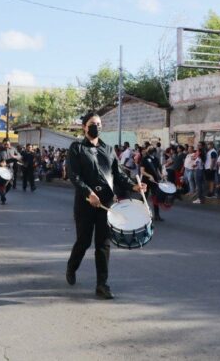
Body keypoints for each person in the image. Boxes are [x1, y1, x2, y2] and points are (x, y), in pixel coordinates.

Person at [66, 112, 145, 300]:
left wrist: (133, 185)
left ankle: (102, 284)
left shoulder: (108, 149)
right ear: (85, 126)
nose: (97, 127)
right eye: (93, 123)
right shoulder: (76, 148)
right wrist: (89, 193)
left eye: (99, 123)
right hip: (86, 203)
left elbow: (118, 174)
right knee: (84, 241)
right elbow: (74, 175)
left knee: (103, 244)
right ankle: (72, 266)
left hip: (106, 204)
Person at [140, 146, 164, 222]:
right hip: (146, 180)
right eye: (153, 151)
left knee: (156, 198)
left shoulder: (156, 159)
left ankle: (157, 215)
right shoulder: (144, 159)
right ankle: (139, 213)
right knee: (144, 197)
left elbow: (157, 170)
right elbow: (142, 171)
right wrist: (149, 175)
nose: (153, 152)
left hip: (154, 181)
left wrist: (161, 175)